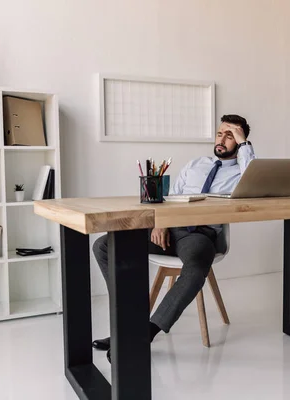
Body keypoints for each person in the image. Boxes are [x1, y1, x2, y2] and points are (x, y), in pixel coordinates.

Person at [92, 114, 256, 362]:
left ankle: (148, 331)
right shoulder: (196, 164)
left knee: (196, 268)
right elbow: (170, 199)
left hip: (200, 235)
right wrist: (162, 222)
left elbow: (255, 185)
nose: (222, 139)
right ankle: (126, 328)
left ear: (241, 141)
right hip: (170, 228)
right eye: (220, 133)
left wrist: (245, 145)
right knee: (105, 245)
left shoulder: (244, 173)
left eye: (230, 135)